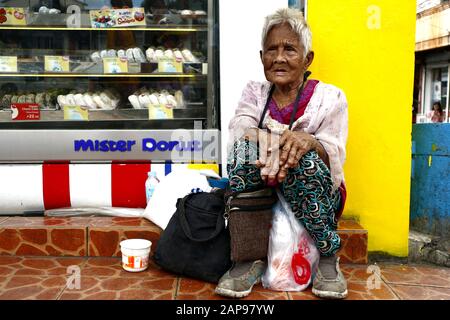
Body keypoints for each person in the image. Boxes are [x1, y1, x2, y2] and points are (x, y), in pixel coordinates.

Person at [215, 8, 348, 299]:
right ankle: (248, 259)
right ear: (261, 56)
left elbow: (333, 151)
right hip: (263, 184)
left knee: (305, 157)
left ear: (307, 58)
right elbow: (240, 126)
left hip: (311, 190)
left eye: (289, 49)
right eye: (272, 50)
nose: (279, 57)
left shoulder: (330, 97)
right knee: (243, 150)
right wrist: (271, 142)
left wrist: (307, 143)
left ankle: (328, 257)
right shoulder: (255, 92)